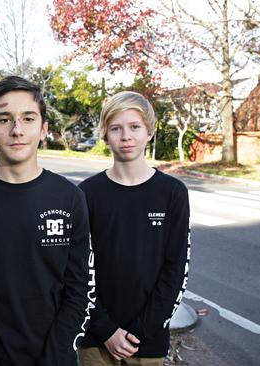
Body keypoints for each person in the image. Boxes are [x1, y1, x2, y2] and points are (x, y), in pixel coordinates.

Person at [0, 76, 94, 365]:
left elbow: (80, 289)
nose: (17, 130)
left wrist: (56, 356)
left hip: (55, 357)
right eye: (4, 119)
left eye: (28, 118)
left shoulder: (70, 198)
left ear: (43, 129)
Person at [77, 91, 191, 366]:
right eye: (116, 128)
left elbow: (176, 269)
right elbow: (76, 270)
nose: (126, 136)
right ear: (105, 135)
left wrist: (139, 332)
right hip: (95, 338)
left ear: (150, 131)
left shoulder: (172, 193)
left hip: (147, 340)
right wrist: (105, 330)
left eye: (134, 127)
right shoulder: (86, 194)